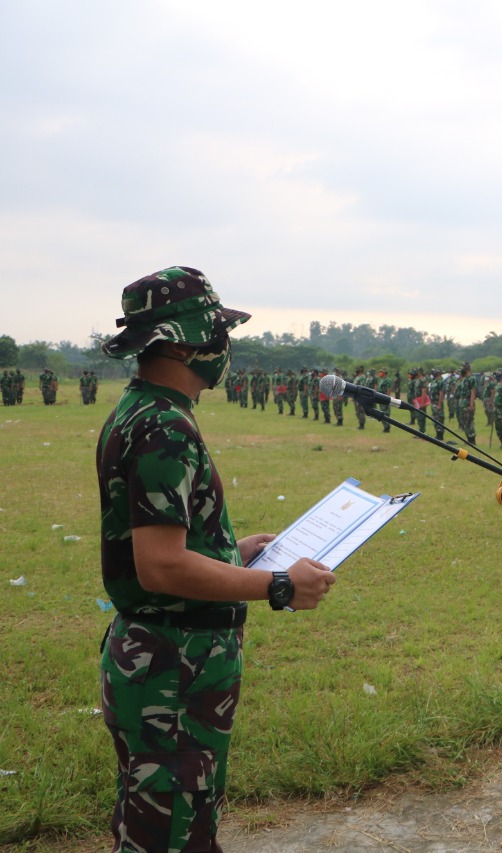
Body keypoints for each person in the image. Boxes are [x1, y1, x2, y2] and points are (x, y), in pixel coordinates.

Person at [96, 266, 336, 853]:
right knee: (173, 835)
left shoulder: (144, 410)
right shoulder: (164, 427)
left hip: (161, 660)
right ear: (181, 341)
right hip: (174, 668)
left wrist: (236, 552)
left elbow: (161, 545)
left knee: (165, 825)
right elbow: (161, 566)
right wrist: (278, 584)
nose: (223, 345)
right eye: (216, 331)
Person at [456, 362, 478, 444]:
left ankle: (472, 440)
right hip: (463, 402)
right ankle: (468, 438)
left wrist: (471, 404)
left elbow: (473, 391)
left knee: (469, 421)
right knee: (463, 421)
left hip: (468, 401)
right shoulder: (464, 379)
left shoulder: (471, 378)